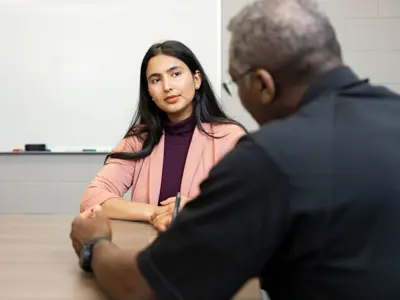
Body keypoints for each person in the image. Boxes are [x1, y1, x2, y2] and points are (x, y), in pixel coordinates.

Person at [70, 0, 400, 299]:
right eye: (156, 79)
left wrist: (95, 244)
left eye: (235, 83)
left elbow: (142, 288)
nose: (168, 85)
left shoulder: (266, 157)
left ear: (262, 84)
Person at [79, 40, 246, 227]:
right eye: (156, 80)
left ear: (197, 79)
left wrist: (197, 209)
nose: (167, 86)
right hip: (146, 249)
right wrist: (157, 213)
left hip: (209, 251)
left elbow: (251, 206)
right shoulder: (139, 138)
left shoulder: (230, 137)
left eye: (175, 74)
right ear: (149, 91)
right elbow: (92, 197)